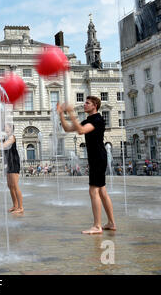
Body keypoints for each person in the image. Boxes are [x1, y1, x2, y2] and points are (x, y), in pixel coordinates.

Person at [57, 96, 116, 235]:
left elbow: (81, 131)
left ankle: (97, 226)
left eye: (87, 103)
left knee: (93, 191)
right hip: (97, 158)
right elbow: (67, 128)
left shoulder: (98, 119)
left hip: (98, 158)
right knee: (102, 191)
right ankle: (111, 223)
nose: (84, 104)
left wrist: (71, 113)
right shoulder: (88, 120)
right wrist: (61, 114)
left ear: (95, 105)